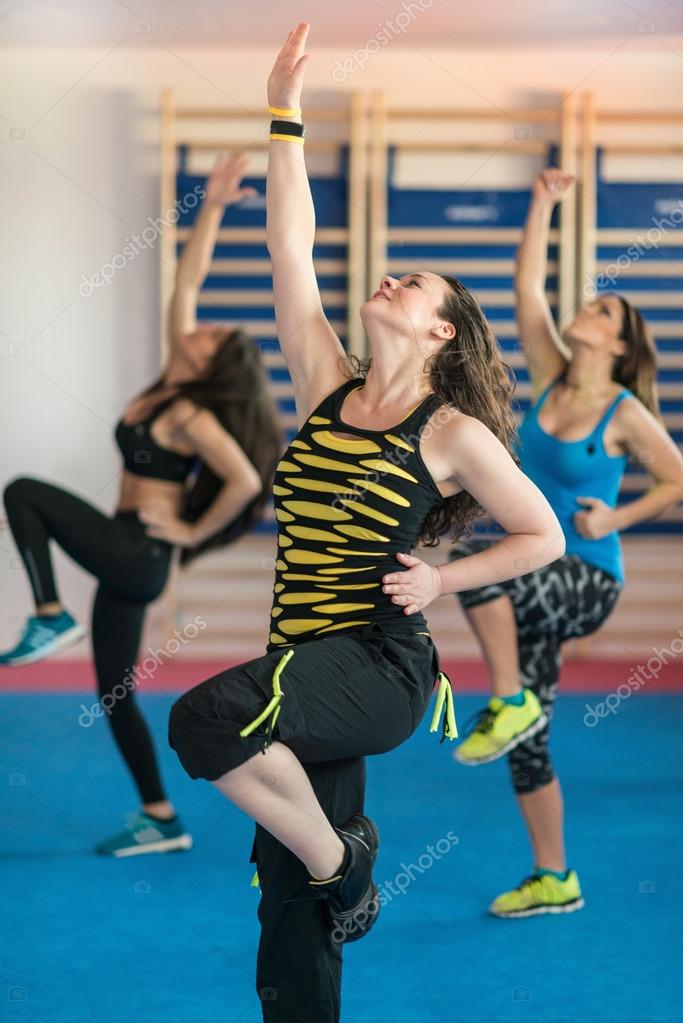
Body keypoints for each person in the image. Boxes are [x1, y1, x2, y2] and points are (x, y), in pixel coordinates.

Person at [168, 23, 566, 1023]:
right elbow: (286, 241)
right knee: (290, 917)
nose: (389, 280)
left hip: (378, 664)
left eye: (413, 285)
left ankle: (344, 860)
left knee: (202, 718)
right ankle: (332, 882)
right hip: (299, 662)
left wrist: (443, 581)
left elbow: (541, 537)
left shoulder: (452, 431)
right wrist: (283, 106)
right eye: (390, 275)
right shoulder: (325, 382)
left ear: (440, 331)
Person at [0, 152, 282, 857]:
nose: (202, 328)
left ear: (214, 366)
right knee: (116, 693)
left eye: (214, 337)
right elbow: (186, 282)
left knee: (24, 492)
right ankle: (161, 816)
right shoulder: (167, 379)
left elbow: (246, 480)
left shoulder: (189, 411)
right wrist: (211, 206)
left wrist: (187, 526)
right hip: (129, 550)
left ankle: (47, 612)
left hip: (140, 550)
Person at [448, 167, 683, 917]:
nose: (588, 308)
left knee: (473, 568)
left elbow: (677, 478)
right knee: (529, 747)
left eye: (603, 307)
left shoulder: (623, 410)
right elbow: (526, 292)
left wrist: (611, 520)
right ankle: (554, 877)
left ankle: (508, 694)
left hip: (585, 579)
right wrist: (541, 206)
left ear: (618, 341)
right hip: (536, 574)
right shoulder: (550, 376)